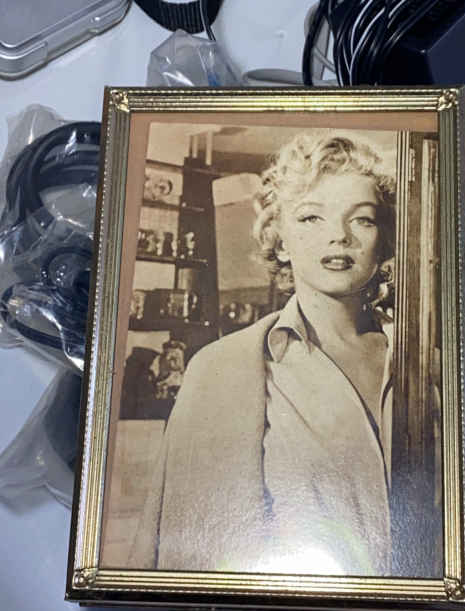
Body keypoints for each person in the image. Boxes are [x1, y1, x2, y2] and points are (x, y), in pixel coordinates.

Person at [129, 132, 397, 576]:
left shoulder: (420, 358)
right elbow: (190, 555)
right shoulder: (221, 370)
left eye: (362, 219)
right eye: (311, 217)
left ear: (383, 239)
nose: (338, 236)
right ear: (281, 240)